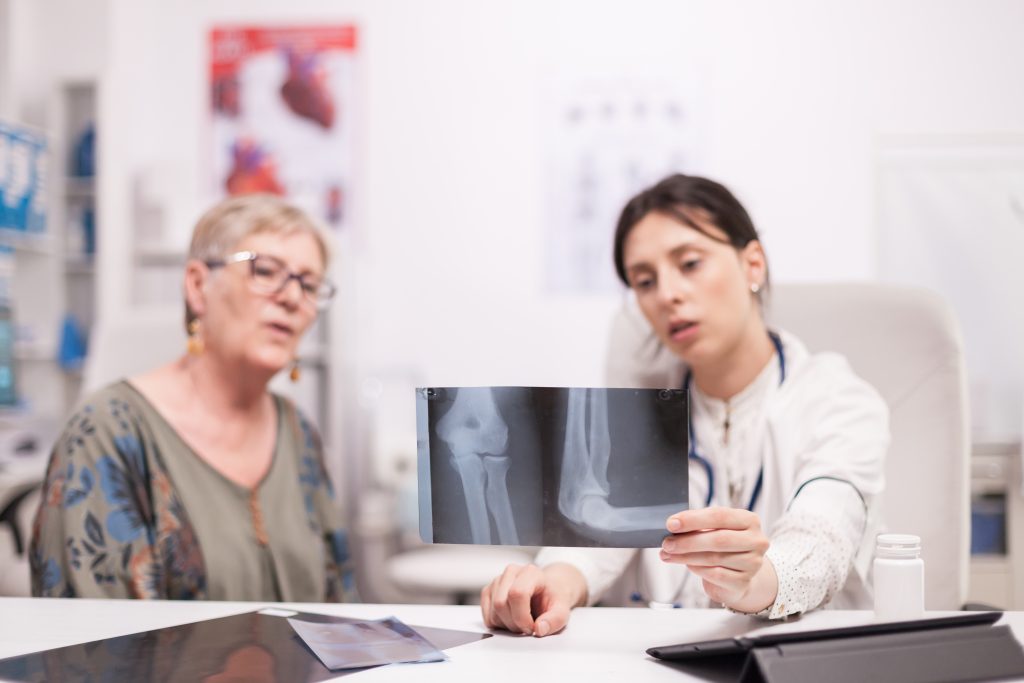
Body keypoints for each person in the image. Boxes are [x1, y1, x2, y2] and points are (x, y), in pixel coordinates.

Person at [480, 174, 888, 636]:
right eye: (645, 281)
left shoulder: (839, 400)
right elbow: (594, 541)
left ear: (753, 264)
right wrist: (551, 585)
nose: (667, 295)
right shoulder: (640, 410)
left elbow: (824, 539)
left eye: (690, 263)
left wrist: (758, 579)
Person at [29, 194, 355, 602]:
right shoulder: (106, 434)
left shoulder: (298, 432)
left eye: (309, 284)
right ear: (199, 286)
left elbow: (342, 609)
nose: (292, 298)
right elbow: (88, 646)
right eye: (266, 271)